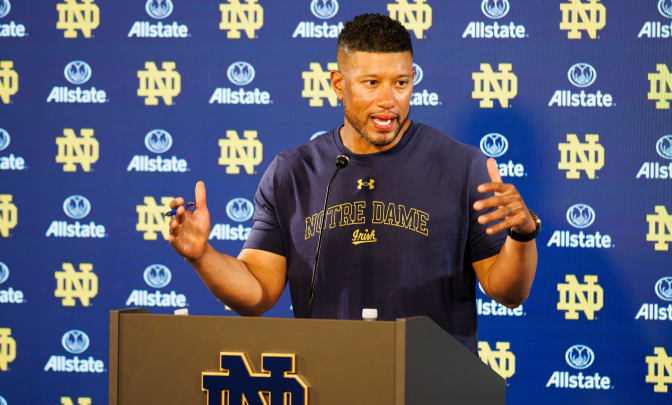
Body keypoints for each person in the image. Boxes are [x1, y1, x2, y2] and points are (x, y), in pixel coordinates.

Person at [167, 13, 538, 352]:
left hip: (432, 382)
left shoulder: (462, 165)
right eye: (371, 83)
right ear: (338, 84)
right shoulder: (291, 172)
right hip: (328, 377)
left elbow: (506, 291)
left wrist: (522, 236)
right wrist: (203, 256)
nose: (388, 100)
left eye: (401, 83)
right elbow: (257, 292)